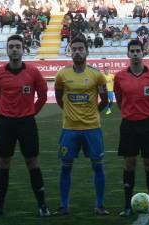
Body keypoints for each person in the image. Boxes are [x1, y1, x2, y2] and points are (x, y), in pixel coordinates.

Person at [0, 34, 50, 218]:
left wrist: (30, 112)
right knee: (3, 162)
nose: (14, 49)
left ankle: (42, 206)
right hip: (5, 123)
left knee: (32, 162)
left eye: (17, 46)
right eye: (11, 46)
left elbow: (43, 95)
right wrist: (6, 111)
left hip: (27, 123)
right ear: (7, 49)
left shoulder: (33, 72)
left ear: (23, 49)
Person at [54, 35, 109, 216]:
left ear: (87, 51)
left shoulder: (97, 75)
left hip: (92, 128)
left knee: (98, 166)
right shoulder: (62, 75)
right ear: (70, 52)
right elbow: (59, 98)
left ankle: (99, 205)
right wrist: (70, 114)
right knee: (65, 167)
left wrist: (92, 114)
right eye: (74, 49)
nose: (77, 52)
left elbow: (105, 101)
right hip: (69, 129)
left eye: (80, 49)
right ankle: (64, 205)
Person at [114, 39, 149, 217]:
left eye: (138, 51)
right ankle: (127, 206)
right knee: (130, 164)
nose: (135, 54)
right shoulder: (120, 76)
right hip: (128, 125)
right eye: (132, 51)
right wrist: (128, 113)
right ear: (128, 54)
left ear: (143, 53)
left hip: (148, 125)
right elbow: (119, 100)